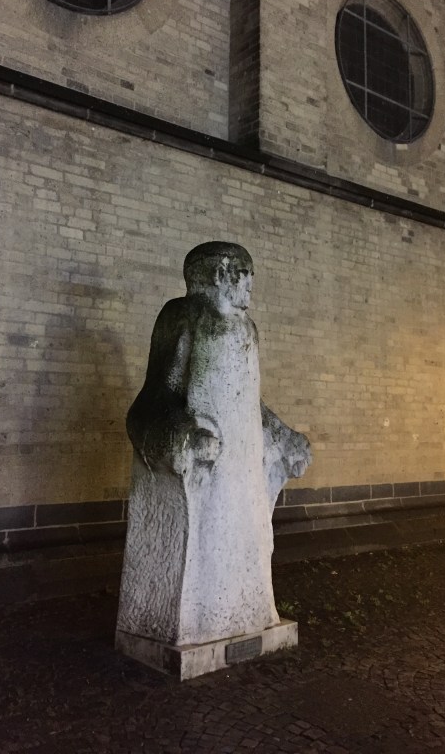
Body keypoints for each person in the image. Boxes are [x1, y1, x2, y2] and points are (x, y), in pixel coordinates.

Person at [116, 242, 311, 646]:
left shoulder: (248, 329)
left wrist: (284, 436)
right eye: (245, 274)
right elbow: (160, 392)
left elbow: (249, 401)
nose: (251, 284)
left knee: (245, 544)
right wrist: (180, 433)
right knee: (206, 549)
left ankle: (243, 617)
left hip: (242, 464)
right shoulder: (184, 316)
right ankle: (201, 624)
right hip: (211, 460)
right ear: (221, 274)